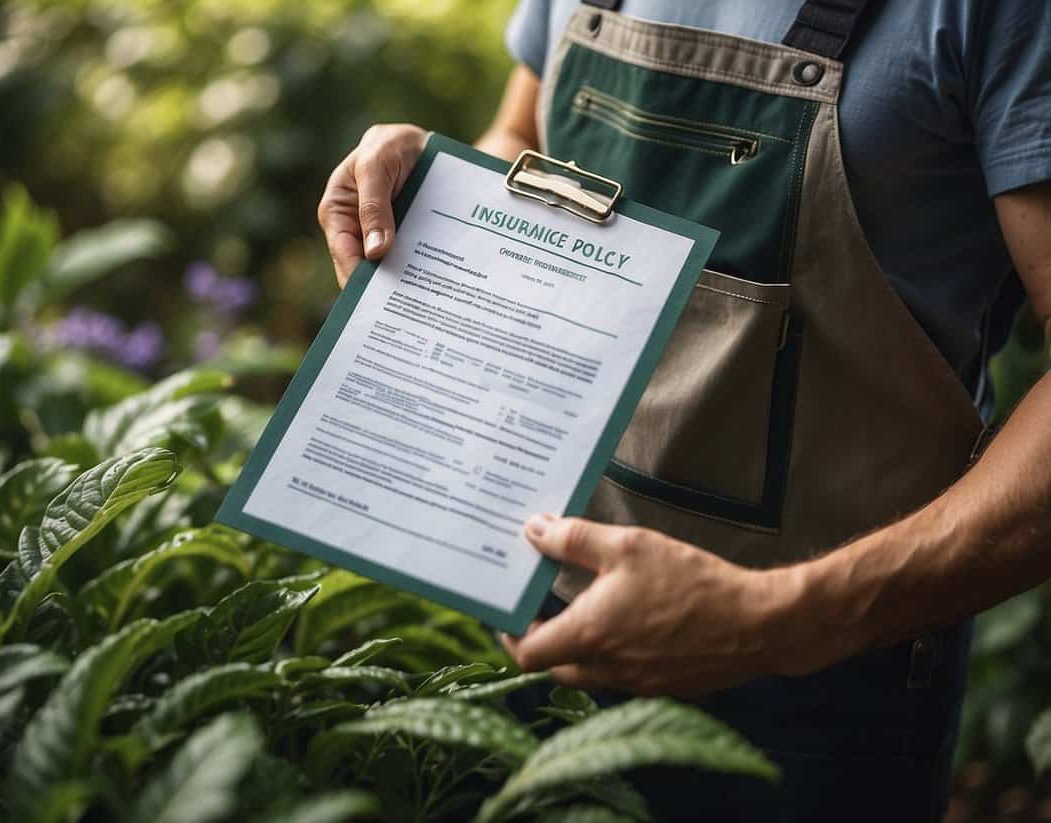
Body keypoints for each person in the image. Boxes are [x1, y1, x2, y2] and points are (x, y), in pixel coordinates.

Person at [317, 1, 1051, 820]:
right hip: (526, 605)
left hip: (819, 684)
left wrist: (774, 619)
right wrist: (450, 189)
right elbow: (521, 132)